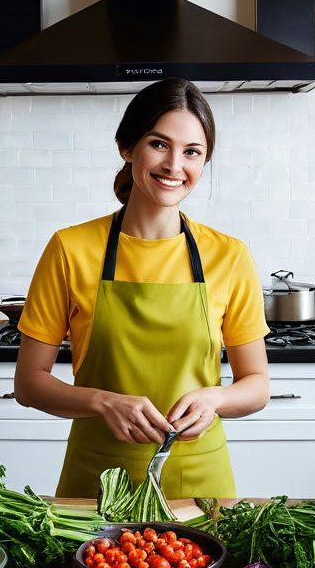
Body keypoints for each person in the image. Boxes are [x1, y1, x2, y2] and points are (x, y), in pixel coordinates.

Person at [14, 78, 270, 499]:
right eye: (159, 144)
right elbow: (28, 383)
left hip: (199, 483)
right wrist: (101, 402)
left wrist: (216, 400)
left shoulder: (229, 255)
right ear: (128, 148)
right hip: (94, 481)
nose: (174, 165)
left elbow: (256, 383)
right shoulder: (70, 249)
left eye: (192, 152)